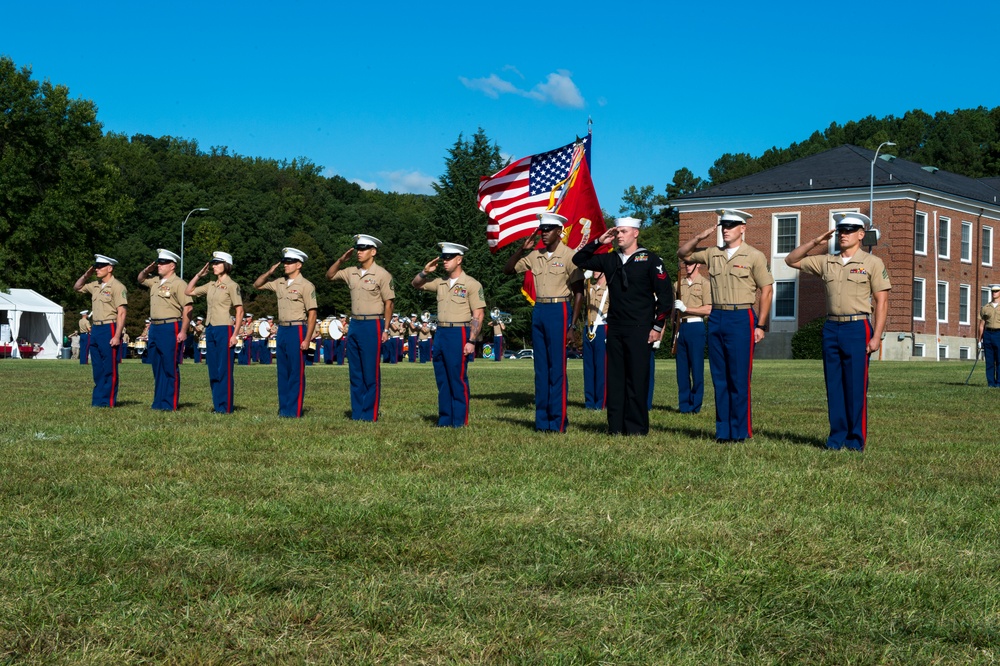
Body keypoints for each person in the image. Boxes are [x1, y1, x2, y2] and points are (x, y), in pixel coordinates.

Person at [785, 212, 891, 450]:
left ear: (861, 235)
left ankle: (855, 441)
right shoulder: (827, 261)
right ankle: (835, 438)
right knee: (833, 385)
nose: (844, 235)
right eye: (841, 231)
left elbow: (882, 301)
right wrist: (815, 243)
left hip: (857, 326)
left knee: (855, 386)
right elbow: (791, 260)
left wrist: (876, 336)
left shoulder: (872, 263)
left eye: (849, 231)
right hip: (831, 327)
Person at [678, 209, 773, 443]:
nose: (726, 229)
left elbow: (767, 290)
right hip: (717, 317)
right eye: (723, 225)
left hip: (741, 316)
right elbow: (683, 253)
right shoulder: (712, 253)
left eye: (731, 225)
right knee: (719, 377)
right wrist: (701, 235)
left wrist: (761, 324)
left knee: (739, 378)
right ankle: (723, 431)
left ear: (743, 228)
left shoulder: (754, 256)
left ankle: (740, 431)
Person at [574, 217, 673, 435]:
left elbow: (666, 297)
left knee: (637, 379)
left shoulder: (649, 259)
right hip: (616, 327)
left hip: (640, 327)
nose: (619, 235)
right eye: (617, 232)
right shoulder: (610, 260)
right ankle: (616, 427)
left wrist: (657, 327)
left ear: (636, 233)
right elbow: (579, 259)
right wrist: (600, 240)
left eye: (624, 232)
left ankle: (636, 428)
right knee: (616, 380)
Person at [503, 212, 584, 432]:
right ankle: (542, 422)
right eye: (542, 230)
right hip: (539, 309)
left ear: (559, 231)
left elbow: (579, 292)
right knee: (540, 369)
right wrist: (522, 248)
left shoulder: (569, 255)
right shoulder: (535, 255)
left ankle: (557, 421)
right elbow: (508, 269)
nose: (544, 233)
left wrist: (572, 326)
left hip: (559, 309)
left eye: (548, 230)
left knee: (556, 368)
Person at [412, 242, 486, 427]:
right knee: (442, 378)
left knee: (457, 377)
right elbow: (416, 284)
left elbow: (478, 314)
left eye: (449, 257)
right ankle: (445, 419)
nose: (444, 261)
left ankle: (460, 421)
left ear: (459, 259)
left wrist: (471, 340)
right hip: (442, 332)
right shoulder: (440, 283)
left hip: (459, 331)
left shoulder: (471, 284)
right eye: (443, 257)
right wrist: (425, 272)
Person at [327, 234, 395, 421]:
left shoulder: (382, 274)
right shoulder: (351, 271)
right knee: (355, 371)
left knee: (370, 371)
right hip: (355, 323)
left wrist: (386, 329)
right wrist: (341, 259)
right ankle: (357, 413)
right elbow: (330, 275)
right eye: (358, 248)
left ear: (373, 252)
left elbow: (389, 303)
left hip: (373, 323)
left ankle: (369, 413)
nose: (359, 252)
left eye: (363, 249)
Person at [253, 247, 318, 417]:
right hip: (282, 329)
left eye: (289, 262)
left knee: (296, 371)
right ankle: (284, 410)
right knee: (282, 372)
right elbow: (257, 285)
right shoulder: (279, 282)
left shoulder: (306, 285)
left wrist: (307, 338)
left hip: (297, 329)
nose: (285, 265)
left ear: (299, 265)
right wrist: (269, 271)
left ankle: (294, 411)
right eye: (284, 262)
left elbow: (312, 314)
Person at [185, 251, 245, 414]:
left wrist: (235, 335)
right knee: (213, 369)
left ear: (226, 265)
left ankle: (225, 407)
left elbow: (239, 311)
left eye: (217, 263)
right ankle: (218, 405)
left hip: (225, 329)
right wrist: (199, 275)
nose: (213, 266)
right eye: (213, 263)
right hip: (210, 329)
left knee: (224, 369)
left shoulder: (233, 286)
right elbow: (188, 291)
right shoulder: (211, 285)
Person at [138, 249, 193, 411]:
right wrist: (146, 270)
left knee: (169, 365)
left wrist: (183, 331)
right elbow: (140, 279)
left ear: (172, 266)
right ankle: (159, 401)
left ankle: (170, 403)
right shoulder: (155, 281)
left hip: (170, 326)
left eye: (162, 263)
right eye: (158, 262)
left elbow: (188, 307)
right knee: (156, 365)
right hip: (154, 327)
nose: (159, 265)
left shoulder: (179, 283)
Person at [73, 254, 127, 407]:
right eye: (95, 266)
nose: (97, 269)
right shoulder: (95, 285)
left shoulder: (117, 286)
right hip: (96, 328)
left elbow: (121, 312)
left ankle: (108, 400)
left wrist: (117, 335)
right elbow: (77, 287)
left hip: (109, 326)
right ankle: (98, 400)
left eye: (100, 266)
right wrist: (86, 275)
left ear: (109, 268)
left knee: (109, 366)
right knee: (97, 366)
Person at [673, 260, 713, 413]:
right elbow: (673, 312)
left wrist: (687, 308)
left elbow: (708, 309)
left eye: (690, 263)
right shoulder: (678, 284)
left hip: (696, 326)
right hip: (681, 327)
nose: (687, 266)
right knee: (681, 370)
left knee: (696, 367)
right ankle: (684, 405)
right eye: (685, 263)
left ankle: (695, 405)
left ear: (698, 265)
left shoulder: (704, 283)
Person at [582, 271, 609, 410]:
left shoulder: (609, 288)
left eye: (596, 269)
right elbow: (575, 292)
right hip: (588, 327)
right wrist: (582, 278)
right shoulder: (589, 287)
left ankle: (601, 401)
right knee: (588, 367)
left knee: (601, 366)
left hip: (602, 327)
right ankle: (589, 401)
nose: (594, 272)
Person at [980, 285, 1000, 388]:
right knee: (989, 360)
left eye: (996, 291)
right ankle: (991, 383)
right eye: (992, 291)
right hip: (987, 334)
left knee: (999, 360)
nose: (994, 293)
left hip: (999, 334)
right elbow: (982, 324)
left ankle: (999, 384)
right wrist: (980, 339)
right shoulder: (986, 307)